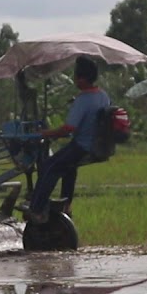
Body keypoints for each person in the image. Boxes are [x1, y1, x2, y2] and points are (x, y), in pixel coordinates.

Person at [25, 55, 110, 223]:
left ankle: (35, 210)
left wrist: (45, 133)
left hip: (82, 145)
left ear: (82, 78)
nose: (74, 79)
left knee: (49, 167)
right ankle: (66, 205)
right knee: (68, 168)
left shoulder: (83, 99)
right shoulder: (103, 96)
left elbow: (68, 129)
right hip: (95, 144)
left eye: (76, 75)